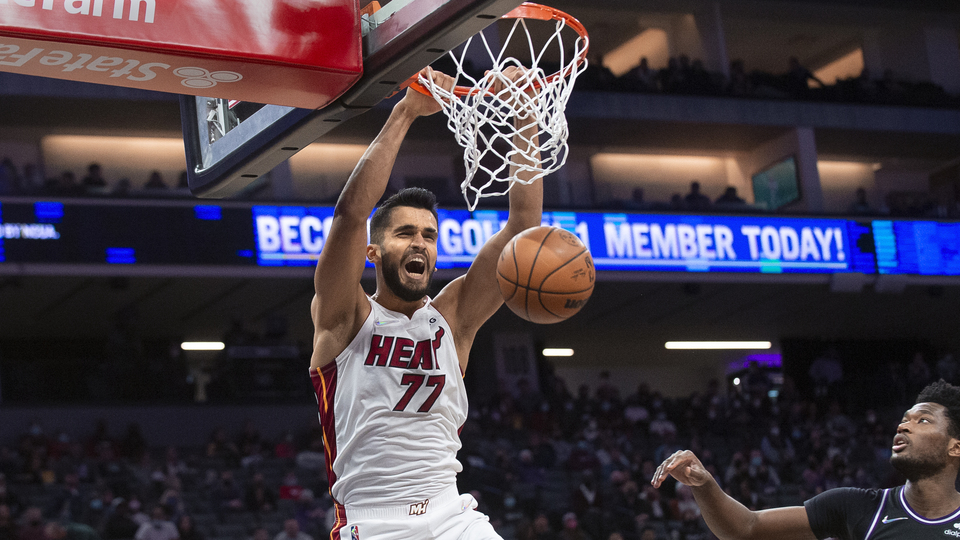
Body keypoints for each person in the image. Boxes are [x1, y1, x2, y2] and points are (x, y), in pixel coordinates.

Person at [308, 66, 542, 540]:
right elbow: (352, 215)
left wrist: (525, 117)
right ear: (372, 252)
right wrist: (407, 112)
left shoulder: (453, 317)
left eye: (430, 235)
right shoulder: (345, 316)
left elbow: (523, 228)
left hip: (452, 514)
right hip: (374, 521)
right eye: (405, 233)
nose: (420, 243)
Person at [652, 379, 960, 539]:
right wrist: (705, 485)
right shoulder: (859, 507)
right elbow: (746, 528)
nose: (903, 424)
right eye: (904, 418)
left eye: (923, 421)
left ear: (955, 447)